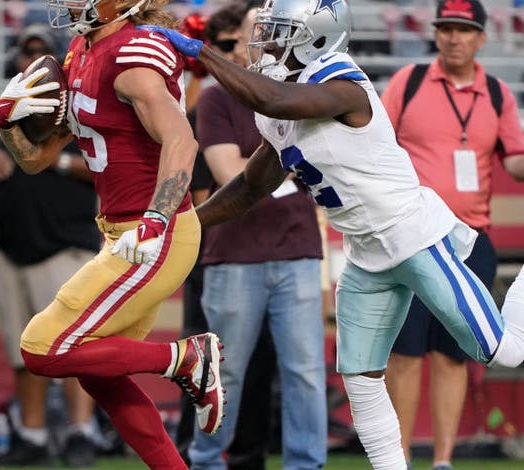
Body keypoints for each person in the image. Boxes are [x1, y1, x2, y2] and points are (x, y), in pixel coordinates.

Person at [144, 0, 524, 466]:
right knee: (360, 378)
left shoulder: (341, 81)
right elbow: (249, 187)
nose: (266, 44)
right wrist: (183, 223)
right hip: (365, 251)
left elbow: (274, 98)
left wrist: (198, 53)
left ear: (316, 39)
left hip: (411, 237)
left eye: (280, 34)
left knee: (504, 350)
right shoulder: (279, 100)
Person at [0, 0, 224, 467]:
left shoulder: (133, 53)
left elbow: (182, 139)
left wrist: (155, 218)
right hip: (121, 234)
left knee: (43, 347)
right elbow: (36, 161)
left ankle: (185, 359)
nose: (71, 2)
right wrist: (7, 123)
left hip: (158, 230)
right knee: (96, 368)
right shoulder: (79, 51)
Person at [379, 1, 524, 468]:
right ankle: (400, 459)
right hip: (410, 238)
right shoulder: (406, 83)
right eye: (445, 28)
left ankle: (443, 460)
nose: (453, 38)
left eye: (463, 30)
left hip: (471, 239)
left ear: (481, 37)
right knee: (405, 356)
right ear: (435, 33)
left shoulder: (497, 92)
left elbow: (517, 164)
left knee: (453, 357)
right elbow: (377, 151)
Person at [187, 4, 328, 470]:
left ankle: (306, 465)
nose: (271, 39)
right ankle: (205, 461)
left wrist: (270, 174)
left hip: (299, 253)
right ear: (246, 41)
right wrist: (294, 171)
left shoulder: (307, 92)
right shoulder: (215, 98)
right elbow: (231, 176)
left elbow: (323, 172)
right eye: (262, 31)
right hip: (234, 257)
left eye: (279, 31)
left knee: (306, 374)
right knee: (222, 374)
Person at [0, 28, 101, 467]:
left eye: (40, 53)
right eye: (26, 54)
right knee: (24, 353)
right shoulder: (4, 112)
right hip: (12, 249)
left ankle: (82, 432)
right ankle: (33, 433)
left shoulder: (74, 110)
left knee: (72, 347)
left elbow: (104, 165)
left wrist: (55, 162)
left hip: (64, 246)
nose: (32, 60)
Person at [174, 7, 279, 468]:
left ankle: (247, 453)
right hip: (211, 253)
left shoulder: (269, 101)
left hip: (267, 247)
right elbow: (205, 187)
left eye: (244, 41)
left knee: (259, 365)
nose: (242, 51)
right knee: (207, 364)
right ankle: (196, 453)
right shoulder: (205, 105)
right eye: (228, 45)